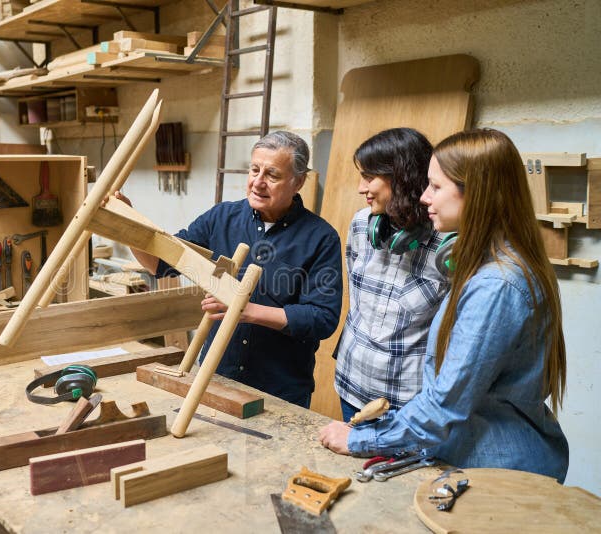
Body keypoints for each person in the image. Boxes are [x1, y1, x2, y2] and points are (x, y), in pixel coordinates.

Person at [318, 128, 569, 482]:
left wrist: (360, 439)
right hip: (470, 455)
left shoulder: (496, 286)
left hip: (496, 470)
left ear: (476, 194)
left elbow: (445, 405)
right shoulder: (484, 266)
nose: (424, 196)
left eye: (435, 187)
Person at [115, 131, 342, 408]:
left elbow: (322, 318)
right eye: (254, 170)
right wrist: (127, 223)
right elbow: (160, 265)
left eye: (272, 175)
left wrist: (247, 311)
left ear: (298, 182)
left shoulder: (320, 238)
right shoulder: (221, 218)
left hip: (280, 391)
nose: (258, 182)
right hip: (216, 378)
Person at [335, 128, 449, 423]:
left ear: (400, 178)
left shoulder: (446, 245)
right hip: (351, 384)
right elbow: (356, 302)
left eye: (369, 177)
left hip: (407, 401)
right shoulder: (361, 225)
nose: (361, 188)